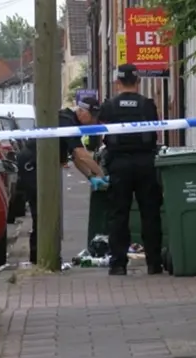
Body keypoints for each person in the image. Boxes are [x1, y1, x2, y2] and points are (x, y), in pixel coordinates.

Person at [17, 97, 108, 264]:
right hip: (33, 166)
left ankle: (42, 257)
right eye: (92, 117)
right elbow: (81, 154)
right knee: (42, 212)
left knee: (47, 210)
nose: (94, 121)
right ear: (81, 111)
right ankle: (40, 259)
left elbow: (75, 157)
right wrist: (101, 173)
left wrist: (91, 177)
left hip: (40, 166)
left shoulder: (71, 121)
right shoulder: (66, 122)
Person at [98, 63, 163, 276]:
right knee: (150, 213)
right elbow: (155, 132)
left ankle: (118, 264)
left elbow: (102, 136)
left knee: (118, 214)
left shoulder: (109, 106)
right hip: (145, 163)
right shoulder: (148, 105)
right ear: (138, 81)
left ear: (117, 82)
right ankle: (154, 263)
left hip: (118, 164)